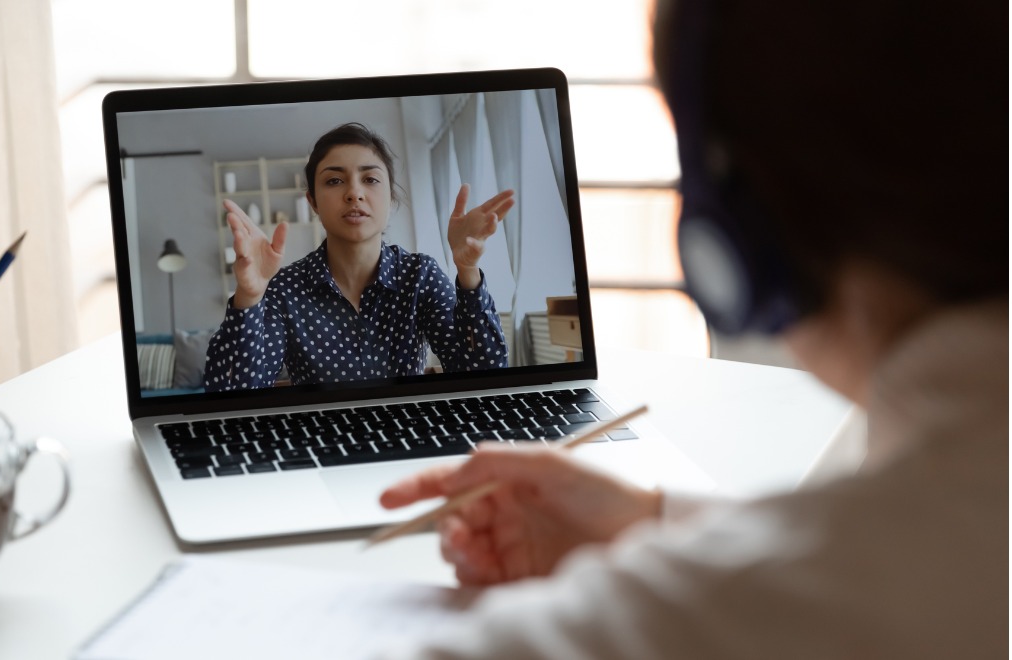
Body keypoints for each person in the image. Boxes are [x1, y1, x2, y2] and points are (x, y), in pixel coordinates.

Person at [378, 0, 1007, 657]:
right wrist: (654, 522)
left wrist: (467, 271)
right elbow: (913, 545)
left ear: (740, 237)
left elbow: (845, 574)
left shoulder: (735, 613)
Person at [204, 123, 514, 391]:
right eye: (334, 181)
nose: (354, 193)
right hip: (317, 445)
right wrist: (248, 295)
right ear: (312, 200)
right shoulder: (285, 288)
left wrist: (468, 270)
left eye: (370, 179)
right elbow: (231, 393)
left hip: (410, 436)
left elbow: (483, 374)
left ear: (390, 195)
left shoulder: (420, 275)